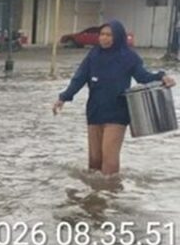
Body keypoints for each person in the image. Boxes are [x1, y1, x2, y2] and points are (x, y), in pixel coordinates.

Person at [53, 20, 176, 175]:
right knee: (94, 161)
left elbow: (143, 76)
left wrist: (162, 77)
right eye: (102, 34)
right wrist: (63, 97)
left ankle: (111, 188)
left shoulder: (129, 57)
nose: (104, 38)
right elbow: (79, 79)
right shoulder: (93, 55)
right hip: (95, 110)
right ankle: (96, 190)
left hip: (117, 112)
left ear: (118, 37)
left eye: (109, 35)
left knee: (109, 159)